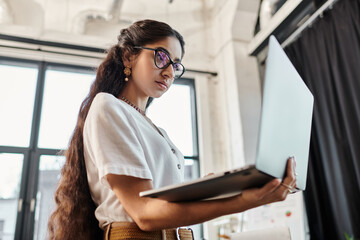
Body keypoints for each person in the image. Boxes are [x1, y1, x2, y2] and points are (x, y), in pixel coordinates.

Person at [47, 19, 297, 240]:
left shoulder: (157, 130)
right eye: (161, 56)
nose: (168, 72)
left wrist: (210, 189)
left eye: (175, 65)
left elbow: (162, 205)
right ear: (128, 56)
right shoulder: (108, 106)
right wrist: (241, 201)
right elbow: (144, 214)